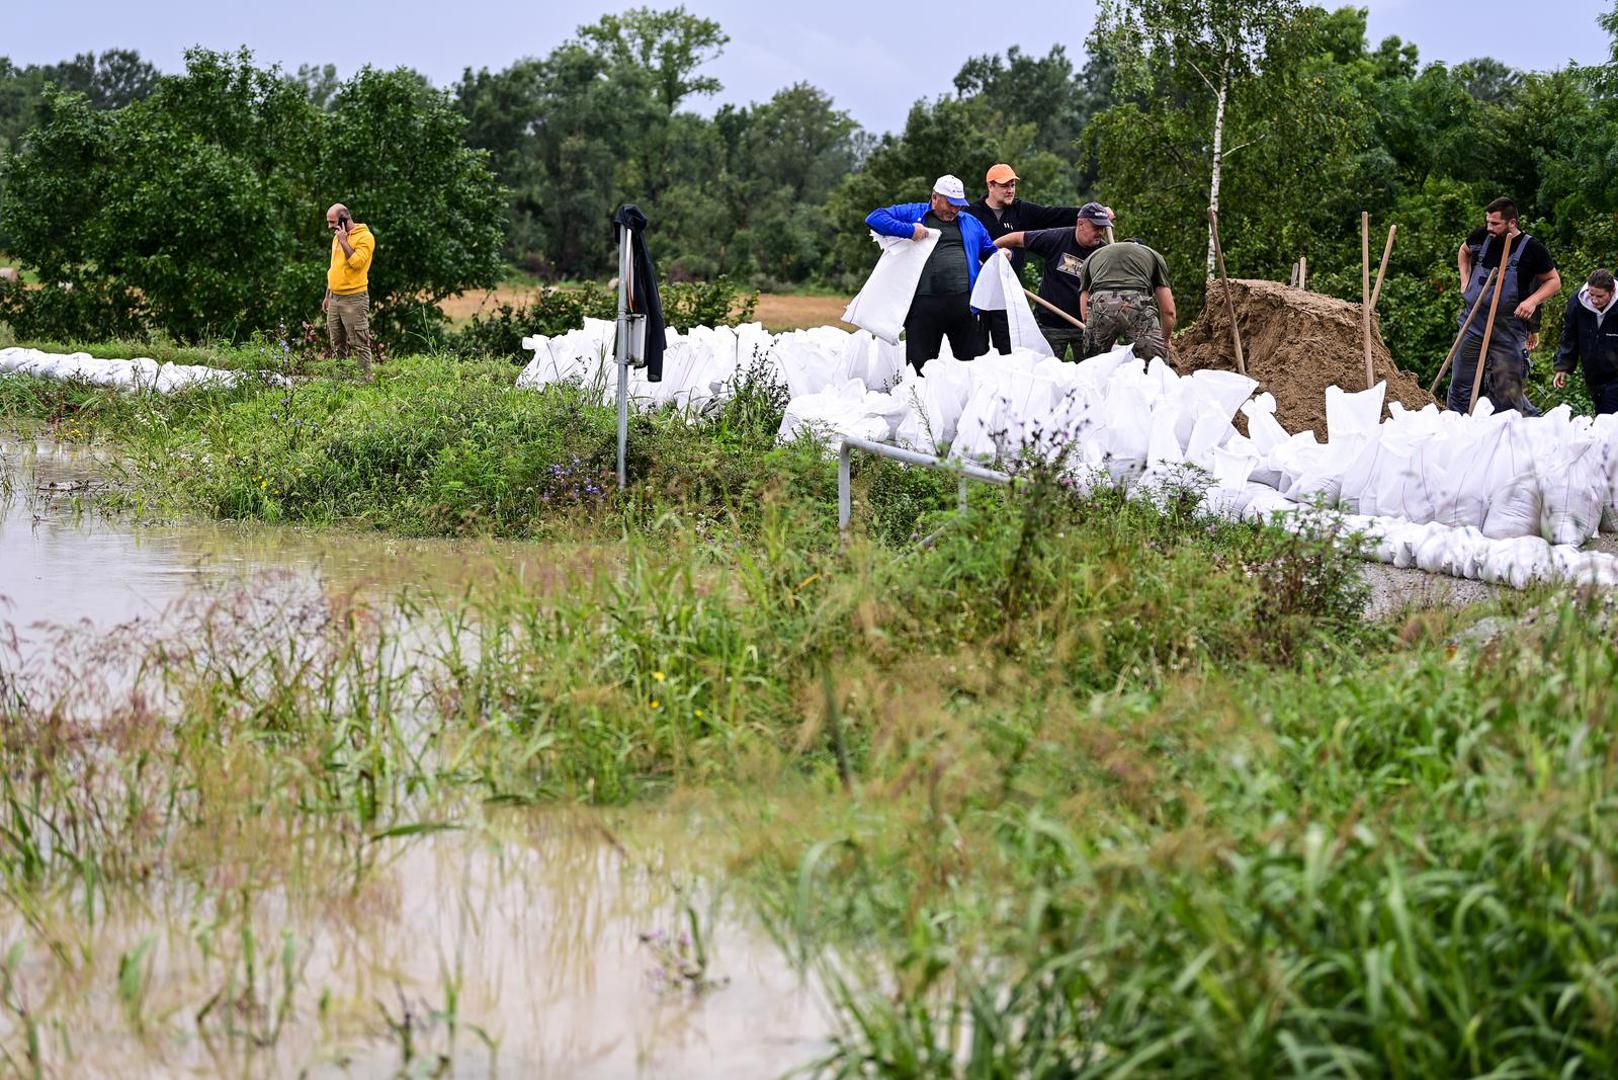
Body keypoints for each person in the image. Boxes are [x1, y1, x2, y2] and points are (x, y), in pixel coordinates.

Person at [866, 175, 998, 372]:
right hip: (923, 306)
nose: (954, 210)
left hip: (964, 306)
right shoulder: (915, 213)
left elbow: (990, 252)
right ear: (935, 198)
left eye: (959, 205)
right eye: (950, 204)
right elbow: (874, 218)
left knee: (973, 367)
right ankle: (921, 403)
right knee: (920, 368)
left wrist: (1004, 254)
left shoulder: (970, 222)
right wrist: (909, 230)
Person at [1447, 197, 1559, 414]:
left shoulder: (1532, 249)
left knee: (1507, 390)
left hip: (1509, 326)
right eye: (1488, 222)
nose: (1489, 227)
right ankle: (1457, 431)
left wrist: (1532, 301)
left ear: (1512, 223)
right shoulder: (1481, 237)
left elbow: (1554, 281)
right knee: (1461, 383)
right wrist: (1464, 280)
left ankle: (1507, 434)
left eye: (1495, 224)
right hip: (1474, 321)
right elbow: (1463, 251)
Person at [965, 164, 1081, 354]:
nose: (1010, 190)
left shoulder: (1021, 210)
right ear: (990, 186)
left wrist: (1088, 214)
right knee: (977, 348)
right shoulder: (971, 213)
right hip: (977, 293)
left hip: (1008, 295)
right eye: (1005, 186)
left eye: (1012, 185)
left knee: (1007, 348)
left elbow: (1054, 215)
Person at [993, 202, 1113, 360]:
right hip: (1050, 325)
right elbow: (1015, 238)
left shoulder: (1104, 253)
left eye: (1103, 228)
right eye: (1096, 227)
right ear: (1081, 224)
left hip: (1087, 327)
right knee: (1045, 374)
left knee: (1089, 377)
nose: (1101, 233)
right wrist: (988, 251)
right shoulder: (1056, 238)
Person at [1077, 237, 1175, 360]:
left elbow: (1085, 307)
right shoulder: (1153, 255)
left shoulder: (1093, 257)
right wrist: (1164, 340)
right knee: (1153, 366)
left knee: (1094, 364)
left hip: (1099, 302)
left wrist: (1096, 327)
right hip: (1136, 303)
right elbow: (1168, 310)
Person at [323, 202, 377, 378]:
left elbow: (356, 263)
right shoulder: (337, 237)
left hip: (354, 298)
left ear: (344, 219)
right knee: (337, 343)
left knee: (359, 343)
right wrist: (327, 295)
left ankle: (364, 382)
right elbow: (334, 268)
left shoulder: (365, 237)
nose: (330, 226)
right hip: (335, 298)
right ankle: (340, 381)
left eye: (332, 222)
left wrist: (344, 241)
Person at [1553, 269, 1618, 414]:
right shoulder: (1578, 302)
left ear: (1612, 292)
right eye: (1591, 294)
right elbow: (1570, 335)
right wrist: (1563, 366)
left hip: (1615, 374)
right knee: (1603, 416)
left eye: (1600, 296)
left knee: (1610, 417)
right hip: (1594, 373)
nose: (1594, 300)